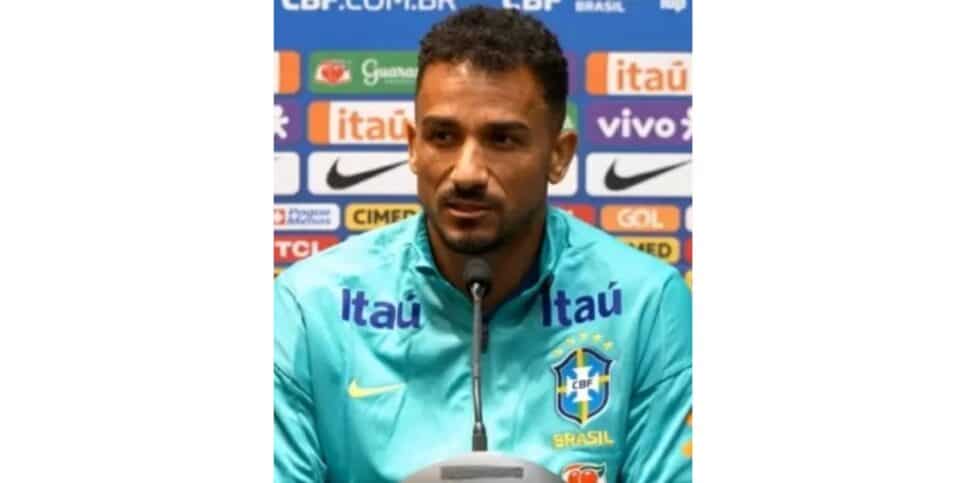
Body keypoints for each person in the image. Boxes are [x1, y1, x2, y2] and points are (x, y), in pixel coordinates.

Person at [274, 6, 692, 482]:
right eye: (443, 136)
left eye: (502, 139)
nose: (467, 172)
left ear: (559, 155)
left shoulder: (645, 304)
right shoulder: (313, 308)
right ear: (412, 145)